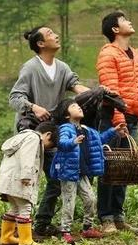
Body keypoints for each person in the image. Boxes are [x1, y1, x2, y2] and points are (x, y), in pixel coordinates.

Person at [9, 26, 91, 239]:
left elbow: (75, 85)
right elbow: (15, 97)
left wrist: (98, 92)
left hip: (52, 134)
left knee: (56, 179)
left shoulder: (62, 67)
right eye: (50, 33)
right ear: (40, 43)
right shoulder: (30, 68)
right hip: (31, 133)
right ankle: (19, 225)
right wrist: (34, 107)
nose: (56, 35)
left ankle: (41, 224)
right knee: (28, 179)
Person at [96, 11, 138, 234]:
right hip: (113, 118)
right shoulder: (108, 54)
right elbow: (111, 90)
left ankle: (118, 216)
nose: (130, 21)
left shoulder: (136, 55)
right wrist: (119, 120)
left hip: (132, 117)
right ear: (115, 30)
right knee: (110, 167)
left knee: (125, 168)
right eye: (124, 20)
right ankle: (106, 217)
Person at [50, 99, 127, 244]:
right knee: (69, 201)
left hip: (82, 172)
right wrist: (73, 142)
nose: (78, 107)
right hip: (68, 172)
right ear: (67, 115)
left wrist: (114, 131)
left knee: (91, 199)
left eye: (79, 106)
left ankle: (87, 228)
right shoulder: (65, 128)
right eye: (74, 106)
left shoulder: (85, 129)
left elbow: (99, 139)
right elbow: (61, 143)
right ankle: (65, 230)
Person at [0, 121, 58, 245]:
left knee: (14, 208)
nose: (47, 148)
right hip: (19, 180)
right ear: (48, 135)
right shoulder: (33, 138)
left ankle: (6, 237)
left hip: (8, 180)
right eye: (50, 144)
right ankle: (26, 241)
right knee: (25, 208)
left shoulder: (22, 137)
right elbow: (27, 157)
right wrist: (26, 176)